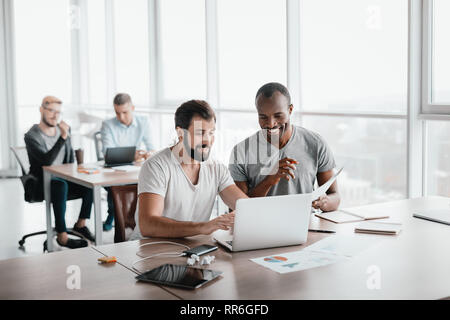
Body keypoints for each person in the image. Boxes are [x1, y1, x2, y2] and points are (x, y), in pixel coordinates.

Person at [129, 100, 247, 240]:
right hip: (148, 250)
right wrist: (203, 227)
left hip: (191, 248)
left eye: (211, 133)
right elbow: (148, 225)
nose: (208, 141)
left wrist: (243, 214)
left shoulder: (217, 168)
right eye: (200, 133)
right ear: (180, 133)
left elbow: (246, 208)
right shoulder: (156, 166)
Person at [228, 82, 340, 212]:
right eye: (263, 117)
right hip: (260, 227)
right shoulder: (241, 151)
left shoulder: (315, 143)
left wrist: (324, 201)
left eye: (278, 116)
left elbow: (335, 197)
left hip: (306, 227)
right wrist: (269, 180)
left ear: (290, 110)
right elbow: (236, 209)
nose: (270, 124)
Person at [24, 96, 95, 249]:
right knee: (59, 184)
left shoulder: (63, 131)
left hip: (63, 179)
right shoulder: (32, 135)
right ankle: (62, 236)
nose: (55, 116)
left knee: (90, 184)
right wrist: (63, 137)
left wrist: (80, 171)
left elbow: (69, 161)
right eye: (51, 111)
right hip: (42, 182)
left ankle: (80, 224)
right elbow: (46, 162)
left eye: (58, 112)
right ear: (41, 109)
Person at [100, 93, 156, 231]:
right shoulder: (107, 124)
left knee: (145, 184)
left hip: (134, 170)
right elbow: (108, 151)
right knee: (115, 188)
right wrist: (133, 155)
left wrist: (148, 153)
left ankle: (130, 219)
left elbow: (152, 148)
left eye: (125, 112)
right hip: (113, 171)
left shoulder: (143, 122)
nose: (121, 117)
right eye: (117, 113)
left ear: (133, 108)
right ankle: (116, 217)